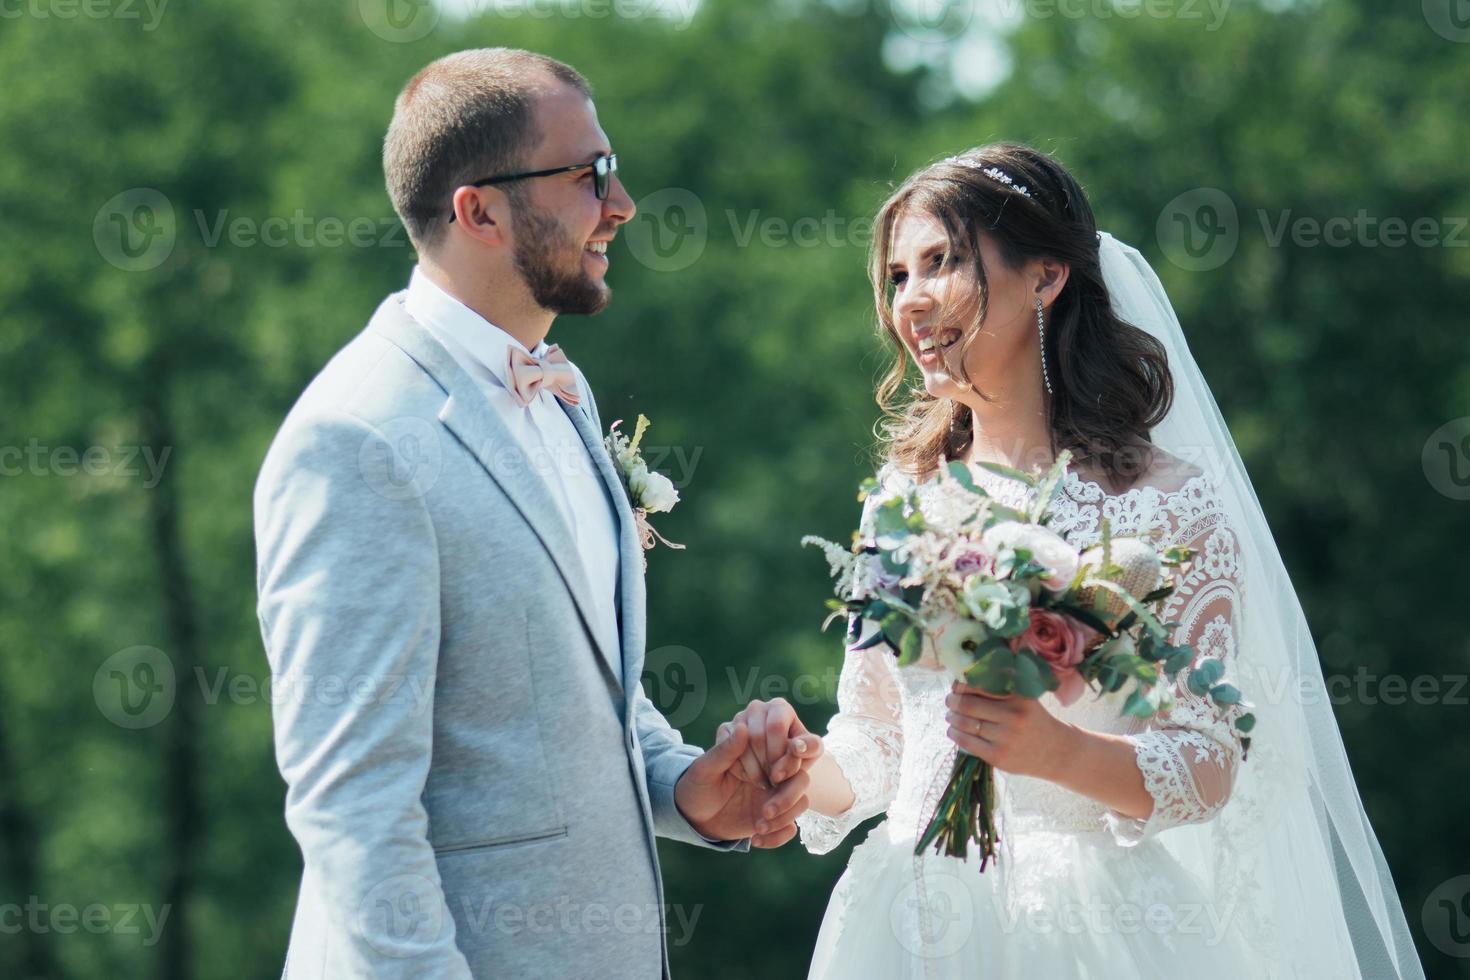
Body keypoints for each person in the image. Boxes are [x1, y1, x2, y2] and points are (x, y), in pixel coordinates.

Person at [731, 143, 1425, 978]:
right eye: (897, 277)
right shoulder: (901, 501)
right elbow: (879, 738)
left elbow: (1208, 759)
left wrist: (1057, 753)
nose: (910, 301)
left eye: (941, 263)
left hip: (1092, 933)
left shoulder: (1164, 505)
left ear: (1046, 276)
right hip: (907, 922)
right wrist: (804, 773)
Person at [253, 48, 818, 979]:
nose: (623, 204)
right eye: (589, 175)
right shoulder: (359, 441)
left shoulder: (563, 393)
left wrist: (685, 787)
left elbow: (580, 695)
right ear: (478, 209)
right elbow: (352, 808)